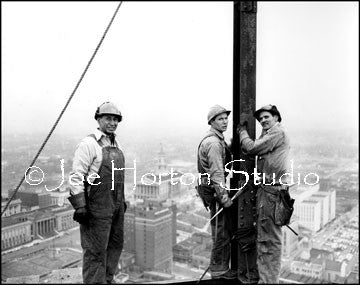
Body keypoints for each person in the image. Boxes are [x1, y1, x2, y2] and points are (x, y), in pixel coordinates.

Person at [68, 101, 126, 284]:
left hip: (115, 206)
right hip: (96, 208)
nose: (112, 123)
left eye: (116, 119)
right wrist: (80, 206)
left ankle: (108, 280)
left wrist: (122, 202)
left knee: (115, 246)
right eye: (108, 118)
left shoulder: (117, 145)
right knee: (95, 251)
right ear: (98, 119)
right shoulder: (89, 144)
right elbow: (76, 176)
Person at [237, 104, 291, 284]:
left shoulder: (277, 133)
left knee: (269, 241)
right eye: (260, 119)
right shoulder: (269, 134)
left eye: (266, 117)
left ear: (276, 117)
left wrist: (242, 132)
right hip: (268, 192)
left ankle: (268, 281)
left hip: (272, 193)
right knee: (265, 238)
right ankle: (266, 279)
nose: (263, 121)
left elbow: (252, 148)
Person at [197, 104, 237, 280]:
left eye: (226, 118)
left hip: (211, 191)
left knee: (222, 230)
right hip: (215, 192)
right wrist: (224, 198)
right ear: (211, 122)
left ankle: (220, 268)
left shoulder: (216, 139)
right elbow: (217, 173)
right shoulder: (213, 143)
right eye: (220, 119)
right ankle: (220, 271)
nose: (225, 121)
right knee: (221, 232)